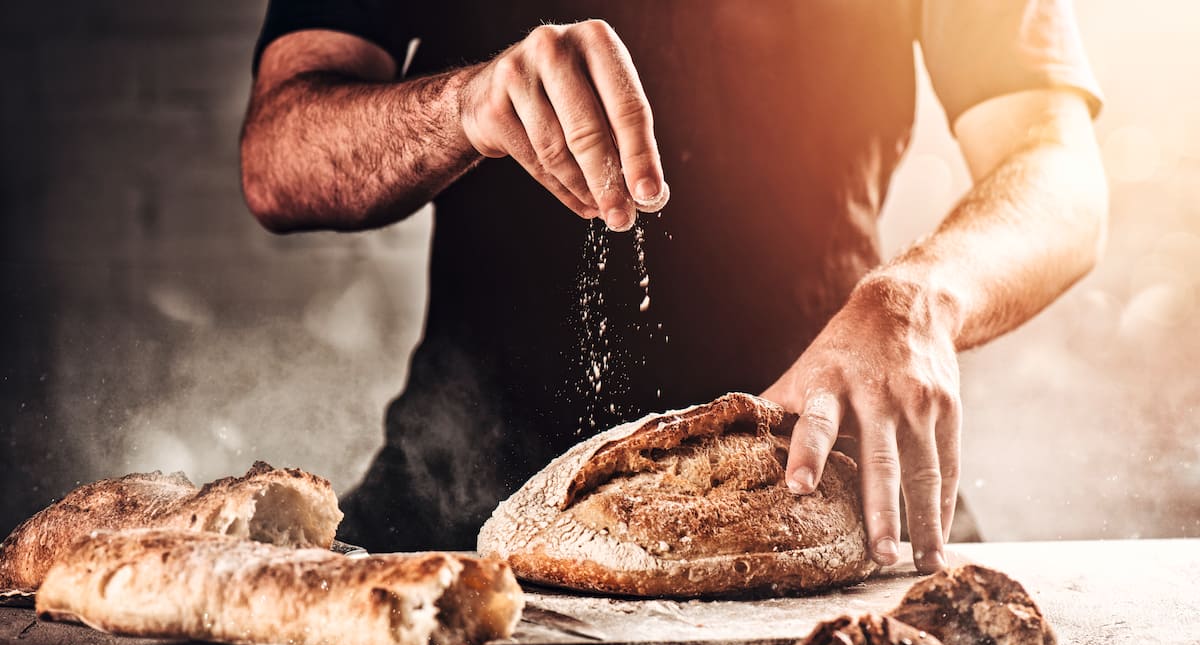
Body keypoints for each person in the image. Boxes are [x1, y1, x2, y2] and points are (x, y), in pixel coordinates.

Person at [241, 1, 1106, 573]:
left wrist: (919, 297)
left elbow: (1059, 167)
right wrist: (464, 106)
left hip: (816, 480)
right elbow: (278, 157)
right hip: (468, 487)